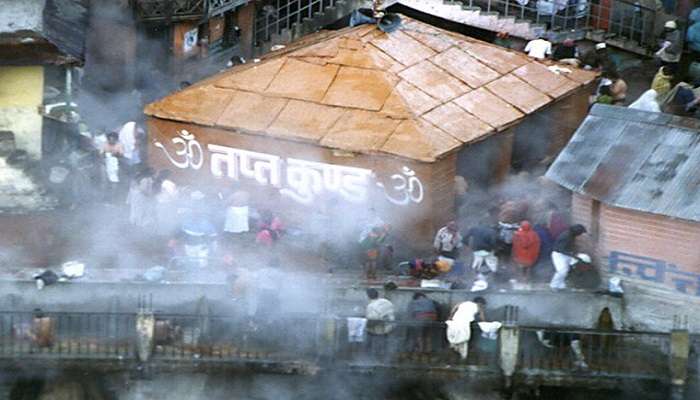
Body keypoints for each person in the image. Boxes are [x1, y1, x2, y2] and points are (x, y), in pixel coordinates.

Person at [550, 224, 587, 290]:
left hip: (565, 254)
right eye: (580, 233)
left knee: (565, 270)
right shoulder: (566, 236)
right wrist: (573, 255)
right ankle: (554, 285)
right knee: (562, 270)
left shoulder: (571, 235)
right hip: (558, 254)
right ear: (577, 231)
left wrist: (574, 254)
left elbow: (569, 246)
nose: (580, 235)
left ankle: (560, 284)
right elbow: (561, 249)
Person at [365, 288, 395, 359]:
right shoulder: (387, 302)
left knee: (373, 347)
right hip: (388, 328)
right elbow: (391, 314)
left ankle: (373, 359)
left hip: (376, 330)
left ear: (368, 296)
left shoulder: (371, 306)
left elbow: (372, 319)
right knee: (384, 346)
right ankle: (384, 359)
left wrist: (365, 325)